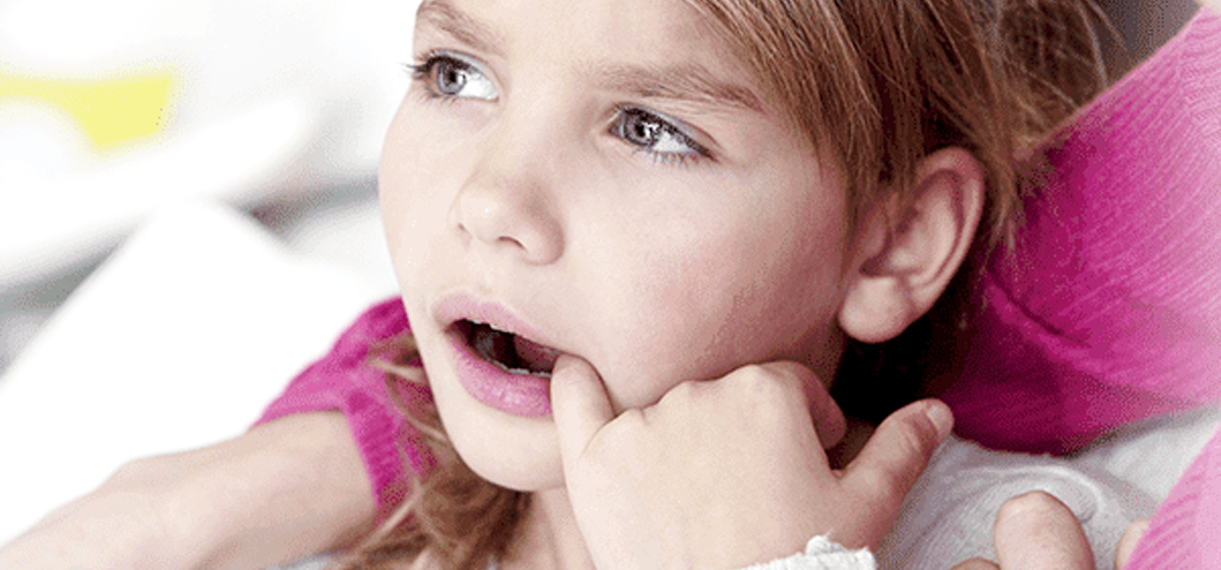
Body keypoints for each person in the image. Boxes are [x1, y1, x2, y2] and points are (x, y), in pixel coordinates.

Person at [2, 0, 1218, 568]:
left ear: (893, 243)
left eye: (648, 129)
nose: (490, 200)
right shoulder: (341, 520)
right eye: (455, 73)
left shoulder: (1020, 548)